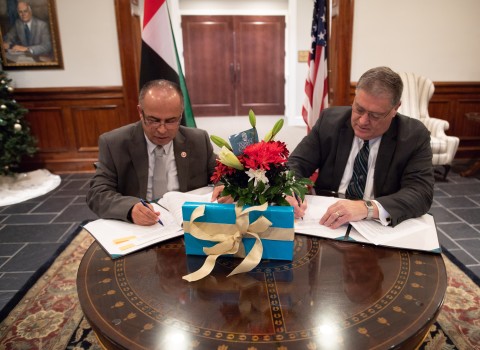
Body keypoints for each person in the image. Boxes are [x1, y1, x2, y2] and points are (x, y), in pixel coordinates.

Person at [287, 66, 434, 228]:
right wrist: (290, 190)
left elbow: (421, 193)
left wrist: (368, 207)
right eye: (359, 109)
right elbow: (296, 164)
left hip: (378, 225)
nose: (363, 121)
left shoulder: (413, 135)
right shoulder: (329, 121)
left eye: (375, 115)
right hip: (325, 220)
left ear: (395, 109)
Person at [87, 79, 218, 226]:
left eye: (171, 121)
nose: (162, 130)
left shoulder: (198, 140)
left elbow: (222, 174)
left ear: (180, 115)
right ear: (140, 113)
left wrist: (224, 187)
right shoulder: (114, 143)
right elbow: (97, 194)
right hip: (140, 227)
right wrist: (130, 209)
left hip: (187, 222)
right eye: (154, 120)